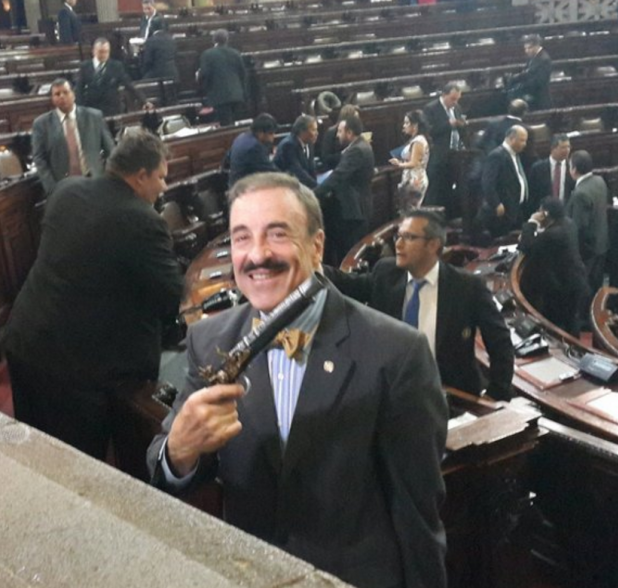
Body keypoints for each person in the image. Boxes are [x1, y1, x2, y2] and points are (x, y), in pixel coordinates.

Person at [147, 172, 448, 588]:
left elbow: (418, 516)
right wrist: (180, 452)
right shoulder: (211, 339)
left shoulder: (397, 353)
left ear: (317, 245)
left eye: (277, 234)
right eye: (241, 238)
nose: (257, 255)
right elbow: (165, 466)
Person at [3, 130, 183, 460]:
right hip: (74, 370)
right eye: (161, 177)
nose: (163, 187)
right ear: (141, 176)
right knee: (79, 464)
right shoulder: (143, 220)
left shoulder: (66, 190)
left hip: (26, 340)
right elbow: (169, 296)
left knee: (35, 452)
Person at [325, 210, 515, 400]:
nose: (398, 244)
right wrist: (308, 264)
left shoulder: (467, 287)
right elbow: (348, 284)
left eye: (409, 237)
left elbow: (500, 343)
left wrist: (496, 394)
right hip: (392, 395)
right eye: (398, 236)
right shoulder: (387, 273)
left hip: (450, 398)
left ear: (433, 245)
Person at [31, 78, 115, 195]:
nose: (62, 96)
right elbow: (39, 158)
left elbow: (110, 150)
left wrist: (105, 177)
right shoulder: (42, 124)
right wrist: (52, 188)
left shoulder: (94, 117)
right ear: (52, 99)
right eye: (57, 94)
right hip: (63, 188)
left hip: (94, 181)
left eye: (65, 92)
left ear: (73, 94)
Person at [519, 197, 588, 336]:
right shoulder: (568, 224)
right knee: (571, 321)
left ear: (545, 213)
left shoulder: (552, 235)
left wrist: (532, 222)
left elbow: (527, 246)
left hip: (563, 286)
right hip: (576, 280)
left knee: (561, 326)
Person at [314, 114, 375, 267]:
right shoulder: (360, 145)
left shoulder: (356, 150)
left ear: (349, 132)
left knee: (349, 255)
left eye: (340, 131)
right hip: (356, 207)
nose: (337, 135)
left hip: (353, 211)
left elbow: (338, 176)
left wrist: (312, 195)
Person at [566, 150, 609, 293]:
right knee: (597, 289)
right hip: (601, 244)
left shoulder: (580, 193)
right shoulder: (599, 181)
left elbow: (578, 227)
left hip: (587, 252)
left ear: (574, 169)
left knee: (585, 292)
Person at [75, 38, 151, 117]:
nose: (104, 55)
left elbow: (129, 85)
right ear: (94, 51)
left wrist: (144, 100)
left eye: (106, 52)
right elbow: (79, 89)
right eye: (101, 52)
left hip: (112, 109)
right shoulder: (85, 67)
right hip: (92, 108)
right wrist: (79, 108)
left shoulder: (116, 66)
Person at [479, 125, 529, 239]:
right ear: (511, 138)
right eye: (522, 140)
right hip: (503, 211)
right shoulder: (497, 155)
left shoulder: (515, 155)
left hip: (516, 208)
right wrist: (496, 203)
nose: (524, 144)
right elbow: (487, 183)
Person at [423, 82, 466, 212]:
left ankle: (449, 214)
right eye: (453, 99)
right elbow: (429, 130)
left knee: (450, 187)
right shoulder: (431, 108)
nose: (455, 102)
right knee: (436, 188)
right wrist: (449, 124)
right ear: (444, 95)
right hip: (438, 154)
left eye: (457, 99)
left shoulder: (457, 108)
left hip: (455, 153)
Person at [198, 29, 247, 127]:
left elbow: (204, 74)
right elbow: (243, 73)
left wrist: (200, 81)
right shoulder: (235, 53)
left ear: (213, 40)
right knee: (235, 125)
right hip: (236, 94)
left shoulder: (207, 54)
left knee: (225, 126)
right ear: (227, 40)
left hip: (219, 96)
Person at [389, 109, 431, 212]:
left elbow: (414, 163)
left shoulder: (418, 141)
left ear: (415, 125)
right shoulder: (415, 140)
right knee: (408, 210)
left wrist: (399, 164)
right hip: (412, 177)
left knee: (411, 212)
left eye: (407, 123)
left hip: (415, 179)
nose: (404, 126)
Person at [526, 134, 573, 217]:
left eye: (568, 147)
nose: (567, 150)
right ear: (553, 148)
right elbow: (532, 195)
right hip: (544, 215)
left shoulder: (572, 167)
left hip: (566, 215)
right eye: (563, 147)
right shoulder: (538, 168)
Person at [226, 113, 278, 187]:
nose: (273, 136)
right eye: (271, 133)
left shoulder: (241, 137)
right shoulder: (254, 147)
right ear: (261, 133)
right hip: (242, 189)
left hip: (234, 183)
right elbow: (272, 172)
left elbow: (227, 158)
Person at [506, 34, 552, 111]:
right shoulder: (533, 57)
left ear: (536, 46)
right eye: (525, 48)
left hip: (539, 98)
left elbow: (540, 81)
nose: (527, 51)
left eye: (529, 48)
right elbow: (528, 72)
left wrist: (522, 87)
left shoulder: (544, 59)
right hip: (531, 93)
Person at [273, 114, 318, 188]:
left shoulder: (309, 143)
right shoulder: (288, 145)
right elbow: (297, 172)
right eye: (313, 130)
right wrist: (317, 187)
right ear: (302, 131)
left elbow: (311, 169)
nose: (317, 133)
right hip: (285, 185)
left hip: (303, 185)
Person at [320, 104, 360, 171]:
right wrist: (342, 154)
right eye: (355, 118)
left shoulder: (356, 132)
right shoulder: (331, 132)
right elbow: (325, 158)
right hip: (335, 169)